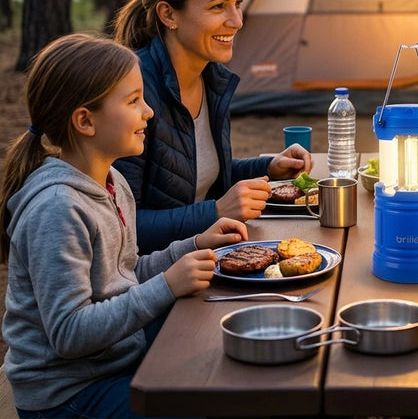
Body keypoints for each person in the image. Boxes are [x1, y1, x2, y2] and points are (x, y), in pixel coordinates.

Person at [0, 33, 248, 419]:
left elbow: (125, 275)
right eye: (134, 101)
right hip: (70, 392)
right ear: (85, 120)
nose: (149, 112)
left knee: (219, 337)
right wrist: (167, 286)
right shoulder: (57, 209)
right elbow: (69, 333)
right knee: (203, 400)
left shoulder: (113, 183)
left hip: (113, 357)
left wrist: (192, 245)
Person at [113, 0, 313, 253]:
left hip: (203, 256)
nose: (237, 21)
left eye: (238, 3)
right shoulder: (132, 92)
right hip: (151, 280)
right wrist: (216, 212)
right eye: (218, 6)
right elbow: (121, 226)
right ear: (169, 15)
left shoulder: (211, 79)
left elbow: (192, 175)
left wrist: (267, 167)